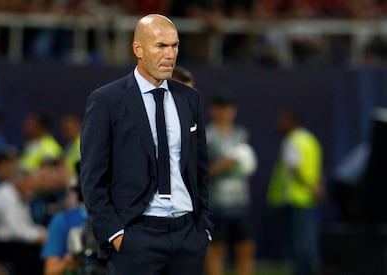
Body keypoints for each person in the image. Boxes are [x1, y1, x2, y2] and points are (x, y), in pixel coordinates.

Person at [80, 14, 213, 275]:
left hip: (188, 237)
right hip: (136, 236)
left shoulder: (190, 98)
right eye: (160, 46)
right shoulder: (107, 100)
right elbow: (92, 177)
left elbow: (200, 170)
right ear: (138, 49)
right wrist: (115, 234)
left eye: (174, 46)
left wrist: (203, 227)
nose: (170, 54)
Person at [205, 96, 257, 275]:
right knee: (217, 249)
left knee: (246, 248)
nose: (226, 112)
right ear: (213, 110)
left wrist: (247, 166)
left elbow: (246, 164)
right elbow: (200, 171)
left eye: (229, 108)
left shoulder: (241, 134)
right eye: (221, 108)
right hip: (217, 202)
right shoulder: (207, 135)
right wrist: (223, 166)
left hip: (240, 200)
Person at [267, 109, 323, 275]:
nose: (279, 124)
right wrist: (317, 187)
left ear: (292, 122)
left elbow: (295, 168)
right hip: (308, 197)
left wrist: (311, 186)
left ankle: (304, 271)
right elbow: (317, 169)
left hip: (295, 198)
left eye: (283, 120)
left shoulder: (292, 140)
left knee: (300, 240)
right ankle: (312, 268)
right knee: (307, 237)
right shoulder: (310, 140)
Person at [0, 167, 46, 275]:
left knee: (34, 250)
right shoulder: (6, 196)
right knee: (25, 252)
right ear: (19, 182)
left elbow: (26, 224)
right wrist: (38, 237)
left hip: (2, 238)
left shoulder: (21, 196)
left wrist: (43, 233)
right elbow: (17, 229)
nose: (31, 188)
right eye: (28, 183)